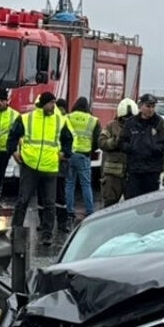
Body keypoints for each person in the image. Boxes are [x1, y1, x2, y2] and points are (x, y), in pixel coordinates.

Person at [6, 93, 73, 246]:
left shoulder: (59, 120)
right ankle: (16, 231)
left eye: (54, 103)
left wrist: (65, 153)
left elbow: (68, 139)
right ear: (43, 104)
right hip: (30, 165)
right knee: (23, 200)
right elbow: (13, 135)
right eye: (50, 103)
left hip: (50, 166)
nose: (53, 106)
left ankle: (47, 234)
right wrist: (13, 151)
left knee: (50, 203)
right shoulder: (26, 118)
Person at [119, 94, 164, 200]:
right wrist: (131, 148)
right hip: (135, 170)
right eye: (148, 106)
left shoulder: (159, 122)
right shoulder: (131, 123)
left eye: (153, 106)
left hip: (152, 171)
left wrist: (155, 149)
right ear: (140, 106)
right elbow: (122, 141)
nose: (151, 109)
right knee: (132, 201)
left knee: (149, 202)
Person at [63, 96, 100, 228]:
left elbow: (63, 136)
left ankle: (69, 210)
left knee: (70, 184)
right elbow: (97, 140)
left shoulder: (67, 117)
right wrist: (90, 149)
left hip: (69, 155)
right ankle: (89, 211)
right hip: (84, 156)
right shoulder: (93, 120)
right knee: (85, 184)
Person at [96, 98, 136, 208]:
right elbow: (101, 142)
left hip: (131, 174)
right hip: (112, 176)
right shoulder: (111, 126)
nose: (127, 121)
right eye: (125, 118)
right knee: (109, 206)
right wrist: (116, 141)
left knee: (132, 208)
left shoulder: (138, 128)